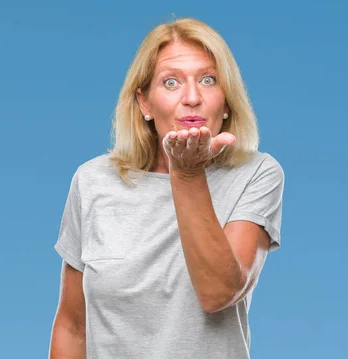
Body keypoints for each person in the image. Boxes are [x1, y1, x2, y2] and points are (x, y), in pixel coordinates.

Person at [48, 17, 285, 359]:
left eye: (208, 80)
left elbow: (218, 292)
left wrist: (187, 174)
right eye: (171, 82)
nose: (192, 97)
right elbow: (72, 325)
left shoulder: (256, 173)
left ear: (228, 99)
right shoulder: (92, 181)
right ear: (144, 103)